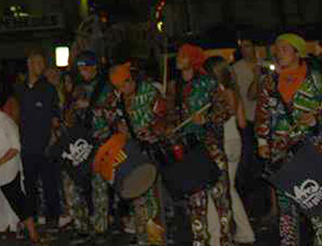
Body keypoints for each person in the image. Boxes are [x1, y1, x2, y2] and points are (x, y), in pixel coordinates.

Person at [256, 33, 322, 246]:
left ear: (298, 52)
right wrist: (262, 142)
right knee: (286, 211)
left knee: (317, 207)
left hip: (311, 152)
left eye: (284, 48)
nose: (278, 53)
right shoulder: (270, 81)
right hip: (281, 154)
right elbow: (262, 113)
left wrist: (316, 119)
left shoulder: (315, 80)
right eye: (277, 48)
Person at [170, 44, 234, 246]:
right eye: (178, 54)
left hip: (211, 146)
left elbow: (225, 111)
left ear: (193, 59)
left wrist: (206, 118)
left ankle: (226, 240)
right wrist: (170, 128)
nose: (178, 58)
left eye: (183, 55)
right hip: (189, 150)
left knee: (221, 197)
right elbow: (171, 116)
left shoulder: (208, 83)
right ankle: (200, 241)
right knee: (195, 201)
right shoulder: (174, 86)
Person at [100, 62, 166, 246]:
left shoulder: (150, 92)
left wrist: (152, 130)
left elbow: (164, 117)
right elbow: (107, 114)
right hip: (131, 152)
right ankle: (142, 237)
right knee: (137, 196)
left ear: (130, 79)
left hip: (150, 150)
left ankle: (156, 240)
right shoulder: (116, 96)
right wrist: (116, 125)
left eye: (123, 84)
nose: (121, 89)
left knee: (152, 199)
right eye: (117, 87)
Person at [0, 87, 41, 244]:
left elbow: (15, 147)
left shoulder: (6, 121)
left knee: (17, 200)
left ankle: (34, 235)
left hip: (6, 168)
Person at [206, 56, 255, 244]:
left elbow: (219, 118)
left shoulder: (219, 93)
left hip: (223, 142)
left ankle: (224, 234)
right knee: (230, 189)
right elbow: (242, 122)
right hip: (235, 140)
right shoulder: (233, 90)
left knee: (223, 190)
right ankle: (244, 231)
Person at [14, 51, 61, 232]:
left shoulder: (48, 89)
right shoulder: (19, 88)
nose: (41, 66)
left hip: (45, 145)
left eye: (42, 62)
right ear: (29, 64)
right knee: (30, 185)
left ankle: (52, 219)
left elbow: (55, 117)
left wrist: (53, 139)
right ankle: (31, 219)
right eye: (38, 62)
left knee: (50, 184)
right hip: (26, 145)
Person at [65, 51, 109, 238]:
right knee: (71, 181)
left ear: (94, 67)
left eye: (85, 67)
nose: (82, 71)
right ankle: (81, 224)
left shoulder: (105, 87)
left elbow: (111, 111)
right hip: (82, 142)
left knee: (99, 185)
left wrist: (90, 106)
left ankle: (100, 227)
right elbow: (71, 112)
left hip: (101, 140)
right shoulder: (78, 88)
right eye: (80, 68)